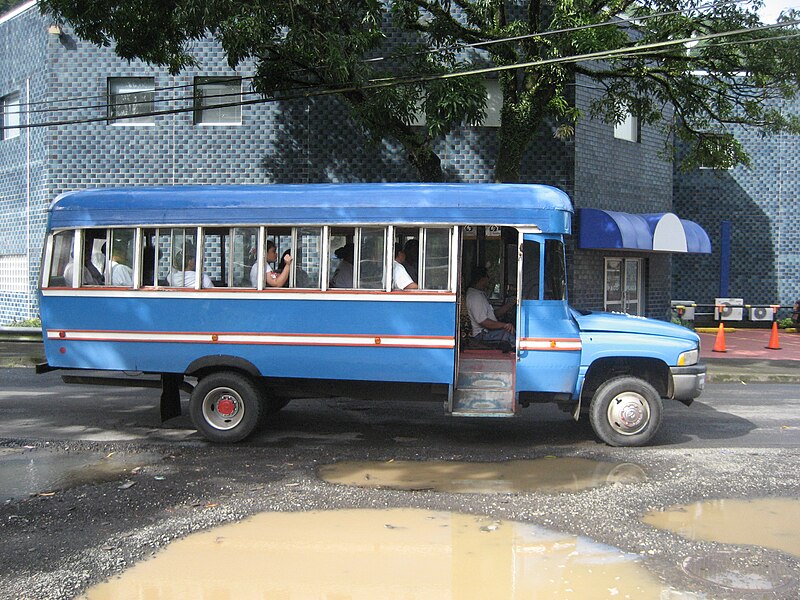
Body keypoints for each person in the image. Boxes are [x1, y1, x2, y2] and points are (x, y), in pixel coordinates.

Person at [465, 266, 516, 349]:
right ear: (481, 279)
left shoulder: (480, 294)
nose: (489, 280)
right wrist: (504, 325)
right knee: (508, 335)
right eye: (487, 277)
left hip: (487, 332)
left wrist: (511, 303)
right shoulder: (475, 297)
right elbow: (483, 321)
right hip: (482, 334)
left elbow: (493, 314)